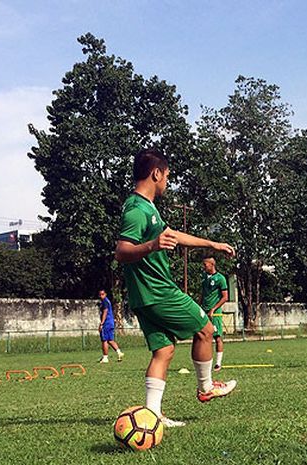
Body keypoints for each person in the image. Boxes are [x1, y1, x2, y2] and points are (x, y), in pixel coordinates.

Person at [115, 147, 237, 428]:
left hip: (143, 296)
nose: (167, 181)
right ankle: (206, 388)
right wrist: (152, 246)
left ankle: (152, 416)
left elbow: (174, 235)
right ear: (156, 173)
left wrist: (211, 244)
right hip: (158, 291)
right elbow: (122, 252)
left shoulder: (147, 208)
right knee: (205, 329)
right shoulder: (136, 210)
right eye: (167, 176)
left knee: (164, 351)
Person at [200, 257, 228, 372]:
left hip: (214, 313)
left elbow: (225, 297)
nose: (203, 267)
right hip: (204, 312)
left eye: (205, 264)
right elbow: (202, 294)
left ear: (212, 264)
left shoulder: (220, 278)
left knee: (217, 337)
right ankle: (205, 364)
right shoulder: (204, 278)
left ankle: (218, 363)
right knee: (203, 337)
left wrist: (213, 309)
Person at [97, 290, 124, 363]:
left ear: (105, 294)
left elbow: (105, 312)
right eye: (100, 295)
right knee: (110, 340)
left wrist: (102, 323)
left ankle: (105, 357)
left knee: (104, 340)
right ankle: (119, 352)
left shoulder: (105, 302)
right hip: (111, 323)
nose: (101, 296)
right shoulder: (108, 301)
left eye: (102, 294)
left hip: (107, 323)